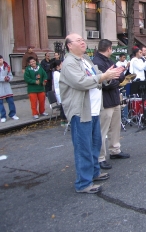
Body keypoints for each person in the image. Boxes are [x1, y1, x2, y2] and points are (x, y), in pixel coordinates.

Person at [60, 33, 124, 194]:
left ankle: (94, 173)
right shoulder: (69, 63)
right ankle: (83, 183)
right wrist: (103, 76)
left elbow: (98, 78)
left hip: (95, 109)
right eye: (78, 40)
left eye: (83, 39)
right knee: (84, 148)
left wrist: (109, 76)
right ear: (69, 45)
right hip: (81, 111)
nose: (83, 42)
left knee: (95, 144)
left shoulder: (86, 60)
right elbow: (80, 82)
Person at [93, 39, 130, 170]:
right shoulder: (97, 62)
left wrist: (117, 77)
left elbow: (120, 77)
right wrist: (116, 80)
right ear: (109, 48)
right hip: (104, 100)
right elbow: (104, 83)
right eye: (111, 49)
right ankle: (100, 157)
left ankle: (115, 150)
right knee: (103, 131)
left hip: (114, 98)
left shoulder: (109, 61)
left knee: (115, 127)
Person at [0, 55, 19, 122]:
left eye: (1, 59)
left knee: (10, 101)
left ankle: (12, 114)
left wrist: (8, 78)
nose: (0, 60)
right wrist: (3, 78)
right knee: (0, 103)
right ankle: (3, 116)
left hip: (7, 86)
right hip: (0, 87)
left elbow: (10, 75)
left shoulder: (7, 66)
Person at [52, 60, 67, 126]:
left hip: (62, 91)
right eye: (61, 64)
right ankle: (63, 120)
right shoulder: (56, 73)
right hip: (60, 92)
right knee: (63, 106)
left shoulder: (59, 72)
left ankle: (65, 120)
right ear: (58, 66)